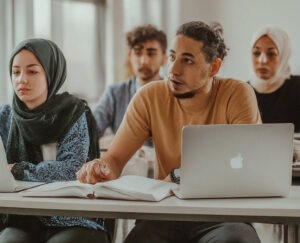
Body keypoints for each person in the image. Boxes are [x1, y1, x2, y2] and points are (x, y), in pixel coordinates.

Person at [77, 21, 261, 243]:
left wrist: (178, 175)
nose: (173, 70)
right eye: (173, 57)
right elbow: (115, 158)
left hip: (224, 216)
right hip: (164, 214)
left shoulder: (238, 94)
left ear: (214, 67)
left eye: (187, 60)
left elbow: (249, 167)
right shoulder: (149, 96)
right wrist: (102, 167)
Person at [0, 38, 109, 243]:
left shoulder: (74, 112)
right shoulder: (5, 116)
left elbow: (72, 170)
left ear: (51, 73)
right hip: (22, 216)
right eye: (16, 72)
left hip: (73, 217)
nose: (21, 80)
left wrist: (18, 169)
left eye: (32, 71)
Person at [93, 24, 167, 138]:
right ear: (130, 56)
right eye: (138, 53)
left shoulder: (175, 95)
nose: (144, 61)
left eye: (151, 53)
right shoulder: (114, 94)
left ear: (164, 59)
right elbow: (91, 129)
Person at [248, 26, 300, 132]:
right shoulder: (242, 91)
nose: (262, 60)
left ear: (284, 56)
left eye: (271, 54)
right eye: (256, 53)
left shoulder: (297, 87)